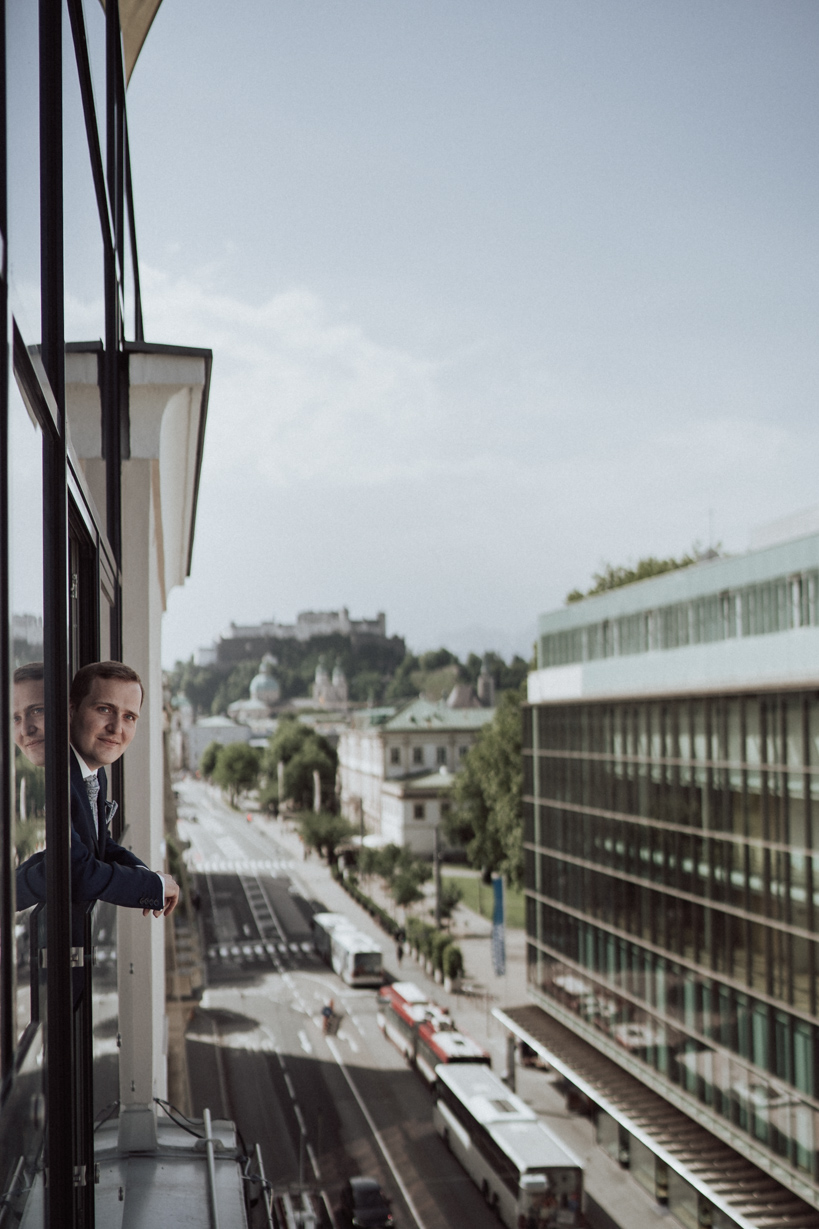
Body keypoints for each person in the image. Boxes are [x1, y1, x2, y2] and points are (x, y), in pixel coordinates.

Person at [15, 661, 179, 918]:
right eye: (104, 709)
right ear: (71, 711)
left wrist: (149, 878)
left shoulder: (92, 771)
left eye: (129, 717)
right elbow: (75, 872)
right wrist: (150, 886)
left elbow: (98, 844)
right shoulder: (53, 773)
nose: (116, 728)